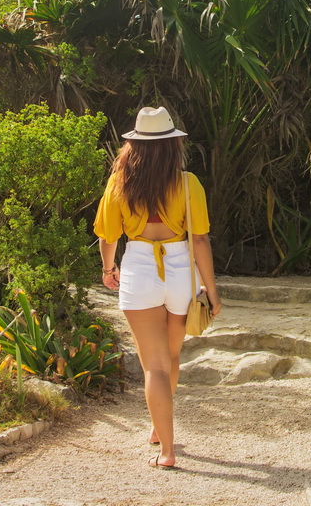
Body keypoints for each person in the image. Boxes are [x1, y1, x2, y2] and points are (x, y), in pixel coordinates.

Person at [95, 106, 222, 471]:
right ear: (173, 145)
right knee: (171, 358)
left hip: (138, 268)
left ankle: (166, 449)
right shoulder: (188, 183)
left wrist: (108, 267)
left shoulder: (119, 182)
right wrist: (211, 291)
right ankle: (158, 425)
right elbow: (200, 240)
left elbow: (107, 235)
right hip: (180, 270)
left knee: (153, 367)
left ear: (133, 146)